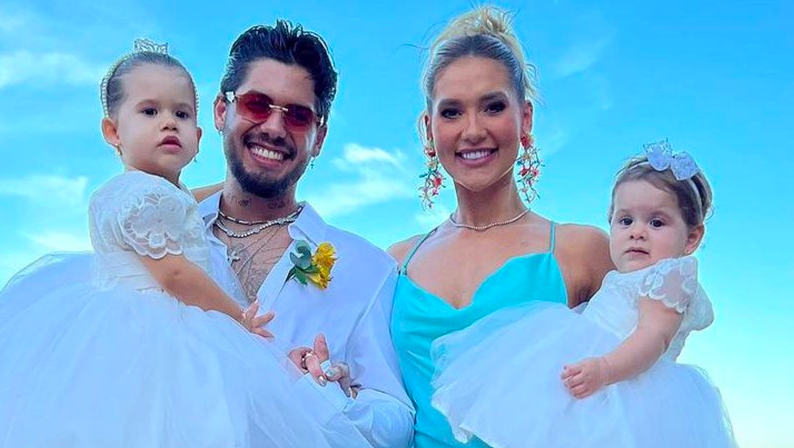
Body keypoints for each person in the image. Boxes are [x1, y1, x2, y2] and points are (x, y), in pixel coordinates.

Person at [0, 40, 362, 447]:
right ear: (113, 131)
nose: (168, 123)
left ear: (199, 135)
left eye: (181, 114)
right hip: (149, 337)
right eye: (149, 111)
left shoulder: (157, 194)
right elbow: (174, 274)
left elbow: (185, 204)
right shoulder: (145, 198)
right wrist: (238, 319)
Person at [388, 6, 614, 448]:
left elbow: (636, 388)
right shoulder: (396, 263)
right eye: (452, 112)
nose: (473, 130)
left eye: (493, 107)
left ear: (525, 118)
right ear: (429, 130)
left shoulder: (582, 251)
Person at [431, 141, 738, 448]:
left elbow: (653, 337)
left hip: (627, 384)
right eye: (626, 220)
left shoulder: (670, 276)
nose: (637, 232)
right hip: (595, 377)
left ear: (692, 238)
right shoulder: (626, 276)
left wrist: (605, 369)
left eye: (656, 222)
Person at [194, 21, 414, 448]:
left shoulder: (368, 269)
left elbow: (397, 422)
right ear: (222, 111)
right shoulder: (162, 242)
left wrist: (327, 396)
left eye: (298, 116)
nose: (275, 128)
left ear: (319, 138)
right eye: (257, 104)